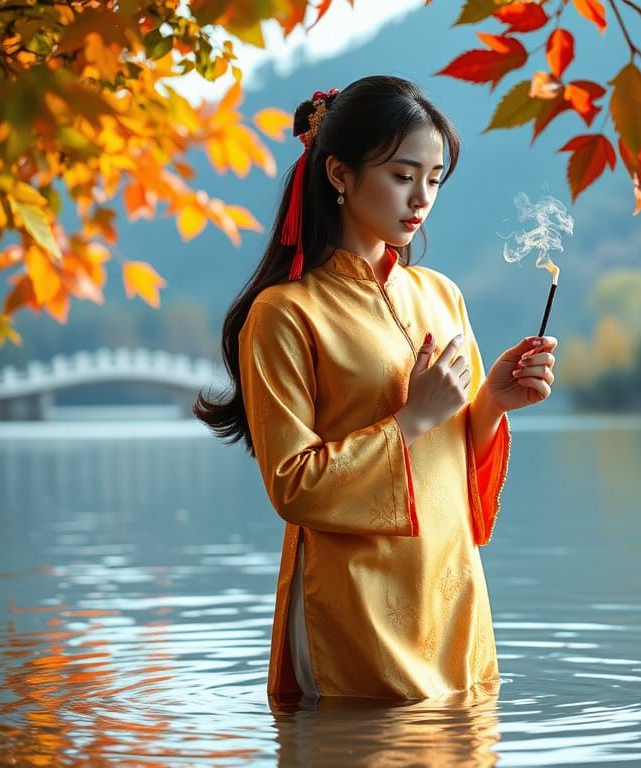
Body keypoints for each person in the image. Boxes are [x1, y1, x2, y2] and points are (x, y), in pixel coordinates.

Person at [194, 76, 557, 701]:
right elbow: (293, 485)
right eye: (402, 175)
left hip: (451, 586)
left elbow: (454, 455)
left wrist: (492, 403)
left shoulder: (441, 295)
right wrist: (410, 419)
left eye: (435, 179)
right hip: (355, 601)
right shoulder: (284, 313)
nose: (421, 199)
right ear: (340, 173)